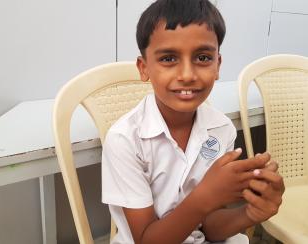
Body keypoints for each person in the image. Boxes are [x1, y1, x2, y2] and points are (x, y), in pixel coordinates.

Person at [102, 0, 284, 243]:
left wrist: (250, 213)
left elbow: (210, 228)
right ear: (144, 68)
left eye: (202, 57)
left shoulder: (221, 130)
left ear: (218, 64)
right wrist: (205, 197)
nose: (187, 75)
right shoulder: (125, 139)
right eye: (168, 59)